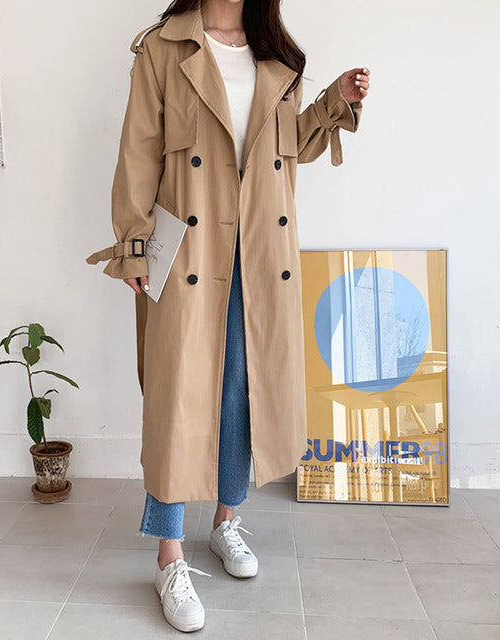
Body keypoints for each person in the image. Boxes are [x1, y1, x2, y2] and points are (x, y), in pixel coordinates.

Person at [86, 0, 369, 632]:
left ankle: (226, 519)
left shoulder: (278, 54)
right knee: (177, 399)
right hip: (187, 249)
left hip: (260, 253)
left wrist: (333, 101)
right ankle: (169, 555)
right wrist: (133, 243)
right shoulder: (163, 48)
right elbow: (138, 150)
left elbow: (288, 146)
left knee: (242, 389)